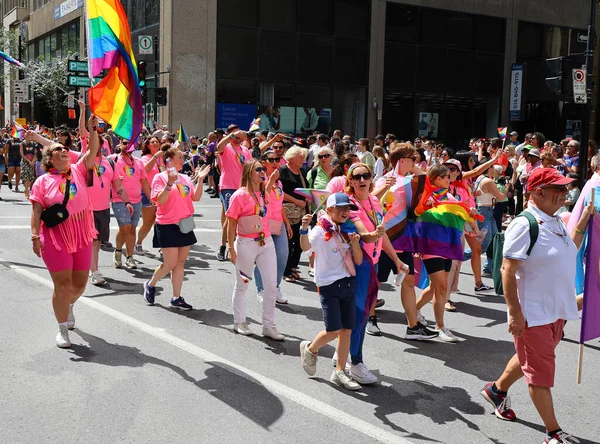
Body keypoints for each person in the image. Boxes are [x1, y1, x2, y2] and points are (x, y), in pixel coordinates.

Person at [481, 168, 593, 444]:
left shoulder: (554, 220)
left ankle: (496, 390)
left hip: (555, 313)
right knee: (540, 375)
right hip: (534, 316)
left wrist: (585, 221)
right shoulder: (525, 223)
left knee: (529, 360)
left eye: (566, 189)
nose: (565, 194)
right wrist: (515, 313)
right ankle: (553, 432)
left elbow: (571, 248)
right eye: (559, 190)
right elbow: (508, 270)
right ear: (538, 192)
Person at [29, 116, 100, 348]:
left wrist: (92, 129)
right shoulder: (42, 181)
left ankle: (68, 305)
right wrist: (34, 236)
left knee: (79, 284)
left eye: (65, 149)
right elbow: (37, 211)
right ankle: (62, 329)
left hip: (81, 233)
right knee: (62, 284)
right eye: (58, 149)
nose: (63, 151)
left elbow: (93, 150)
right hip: (55, 237)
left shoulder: (79, 170)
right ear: (49, 158)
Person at [345, 163, 408, 379]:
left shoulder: (373, 201)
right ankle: (355, 361)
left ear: (372, 178)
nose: (362, 180)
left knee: (361, 314)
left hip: (374, 262)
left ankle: (345, 355)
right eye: (357, 177)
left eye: (366, 176)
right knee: (360, 314)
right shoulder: (350, 204)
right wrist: (374, 233)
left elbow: (382, 236)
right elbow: (365, 235)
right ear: (351, 181)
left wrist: (397, 260)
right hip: (359, 263)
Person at [298, 194, 363, 391]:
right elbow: (305, 248)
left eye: (348, 209)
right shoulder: (319, 230)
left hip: (348, 283)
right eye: (340, 208)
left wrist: (355, 244)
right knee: (334, 330)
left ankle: (340, 371)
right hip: (328, 285)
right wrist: (303, 229)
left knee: (346, 331)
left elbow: (358, 261)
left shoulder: (348, 230)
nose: (345, 212)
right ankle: (310, 348)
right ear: (330, 209)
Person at [143, 148, 211, 310]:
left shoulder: (186, 178)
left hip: (185, 224)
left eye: (182, 157)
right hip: (167, 224)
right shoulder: (160, 178)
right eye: (179, 157)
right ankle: (150, 284)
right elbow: (160, 200)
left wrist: (200, 181)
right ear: (169, 160)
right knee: (170, 263)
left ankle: (176, 297)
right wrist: (169, 184)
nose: (182, 160)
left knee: (180, 263)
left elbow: (196, 197)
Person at [226, 160, 283, 340]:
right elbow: (231, 222)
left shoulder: (265, 194)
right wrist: (230, 247)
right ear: (249, 172)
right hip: (245, 244)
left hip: (265, 243)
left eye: (263, 169)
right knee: (243, 284)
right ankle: (239, 321)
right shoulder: (239, 195)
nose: (262, 172)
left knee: (271, 285)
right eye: (258, 169)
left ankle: (268, 325)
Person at [254, 150, 293, 304]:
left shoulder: (279, 182)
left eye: (278, 159)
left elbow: (279, 204)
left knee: (282, 257)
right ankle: (261, 289)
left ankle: (275, 287)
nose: (277, 162)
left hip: (278, 223)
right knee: (263, 257)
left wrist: (287, 223)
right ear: (264, 162)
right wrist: (270, 180)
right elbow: (262, 197)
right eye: (273, 159)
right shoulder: (259, 179)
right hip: (264, 223)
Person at [112, 141, 152, 270]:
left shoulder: (138, 162)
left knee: (132, 229)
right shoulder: (113, 159)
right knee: (125, 227)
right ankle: (118, 251)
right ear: (119, 143)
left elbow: (144, 182)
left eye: (130, 143)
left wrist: (152, 198)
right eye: (124, 143)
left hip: (136, 200)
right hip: (119, 199)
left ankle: (129, 257)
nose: (127, 145)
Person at [216, 129, 252, 261]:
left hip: (242, 187)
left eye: (239, 136)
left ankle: (239, 246)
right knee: (230, 217)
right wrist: (230, 136)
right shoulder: (226, 147)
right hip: (228, 187)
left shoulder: (245, 150)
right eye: (234, 136)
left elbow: (250, 166)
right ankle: (223, 246)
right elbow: (219, 146)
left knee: (241, 218)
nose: (237, 138)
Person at [280, 146, 309, 282]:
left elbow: (305, 188)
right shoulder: (282, 171)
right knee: (288, 241)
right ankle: (286, 271)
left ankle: (293, 267)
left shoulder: (302, 171)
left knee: (299, 242)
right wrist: (296, 201)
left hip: (301, 212)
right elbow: (280, 193)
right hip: (288, 213)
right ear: (291, 157)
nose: (303, 160)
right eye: (300, 157)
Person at [134, 136, 164, 255]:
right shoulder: (145, 158)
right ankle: (138, 244)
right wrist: (156, 156)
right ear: (147, 146)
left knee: (162, 221)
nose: (156, 143)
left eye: (157, 141)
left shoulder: (161, 159)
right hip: (148, 193)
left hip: (161, 193)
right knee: (148, 221)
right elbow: (145, 170)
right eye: (153, 142)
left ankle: (163, 246)